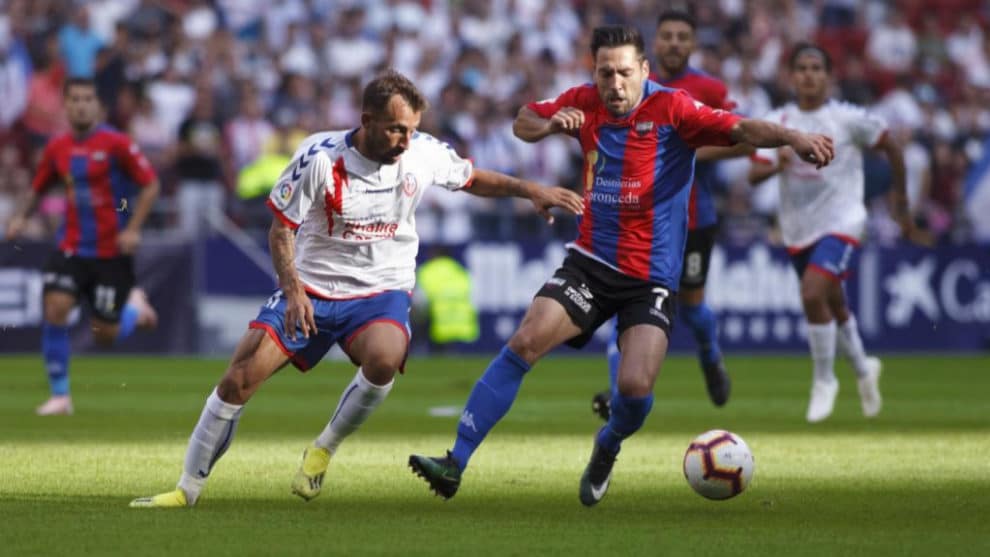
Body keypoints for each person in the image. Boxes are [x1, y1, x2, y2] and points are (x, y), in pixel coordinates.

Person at [409, 25, 833, 507]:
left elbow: (740, 129)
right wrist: (551, 126)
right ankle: (455, 462)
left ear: (644, 71)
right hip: (590, 262)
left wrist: (793, 137)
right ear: (594, 71)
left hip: (650, 278)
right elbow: (523, 120)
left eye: (624, 72)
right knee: (525, 340)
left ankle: (608, 443)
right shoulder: (582, 100)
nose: (614, 83)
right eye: (605, 72)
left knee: (633, 390)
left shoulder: (674, 108)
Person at [128, 70, 583, 509]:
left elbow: (470, 177)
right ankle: (186, 489)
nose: (405, 141)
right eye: (394, 130)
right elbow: (280, 230)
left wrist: (529, 189)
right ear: (366, 121)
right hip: (311, 286)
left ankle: (323, 449)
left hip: (380, 291)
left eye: (411, 130)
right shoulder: (319, 158)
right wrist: (293, 291)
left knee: (385, 358)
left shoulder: (420, 152)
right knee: (238, 379)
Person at [748, 44, 926, 423]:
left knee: (813, 292)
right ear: (791, 76)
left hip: (844, 220)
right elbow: (753, 174)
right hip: (799, 227)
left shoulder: (847, 119)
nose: (809, 75)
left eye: (816, 68)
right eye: (801, 68)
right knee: (833, 303)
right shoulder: (778, 119)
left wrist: (899, 199)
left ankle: (824, 380)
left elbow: (891, 145)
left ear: (829, 77)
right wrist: (776, 165)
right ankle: (863, 369)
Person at [592, 10, 750, 420]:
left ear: (693, 43)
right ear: (653, 46)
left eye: (683, 36)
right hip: (634, 220)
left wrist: (686, 146)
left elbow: (744, 140)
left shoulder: (708, 89)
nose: (675, 43)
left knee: (694, 308)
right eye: (667, 36)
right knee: (622, 309)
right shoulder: (626, 84)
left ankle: (710, 356)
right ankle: (616, 395)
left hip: (693, 218)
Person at [4, 77, 160, 416]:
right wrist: (20, 218)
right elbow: (39, 186)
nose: (81, 105)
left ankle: (136, 310)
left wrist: (132, 228)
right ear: (66, 104)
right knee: (55, 308)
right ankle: (61, 396)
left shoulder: (118, 144)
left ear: (97, 105)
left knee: (106, 333)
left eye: (87, 99)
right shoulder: (57, 147)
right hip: (71, 247)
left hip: (111, 253)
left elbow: (150, 185)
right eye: (74, 99)